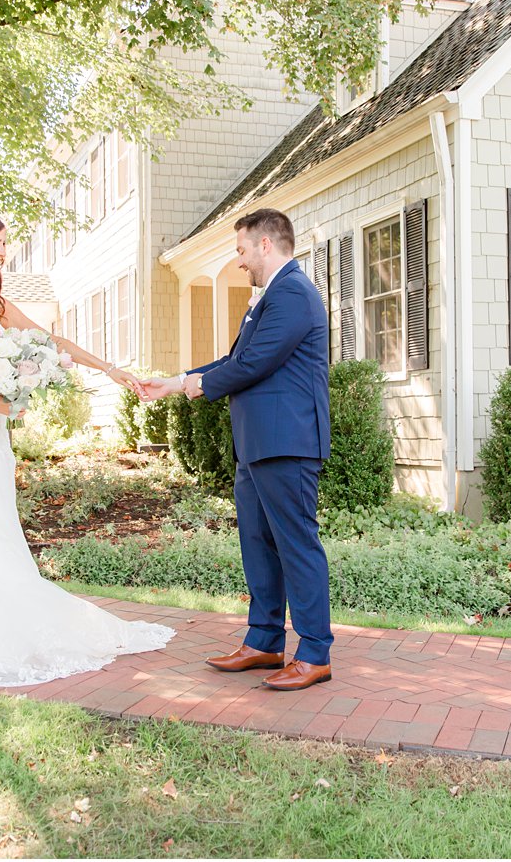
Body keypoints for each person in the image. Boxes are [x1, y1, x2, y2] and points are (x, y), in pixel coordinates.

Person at [0, 209, 173, 688]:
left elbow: (48, 340)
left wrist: (109, 368)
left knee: (1, 528)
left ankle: (9, 628)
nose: (3, 252)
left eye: (5, 244)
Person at [140, 208, 333, 690]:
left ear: (266, 244)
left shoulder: (292, 294)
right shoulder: (268, 298)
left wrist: (194, 387)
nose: (240, 261)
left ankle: (315, 653)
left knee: (296, 546)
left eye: (243, 250)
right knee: (258, 545)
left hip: (286, 442)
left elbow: (252, 363)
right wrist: (174, 383)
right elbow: (236, 359)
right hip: (258, 444)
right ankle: (265, 641)